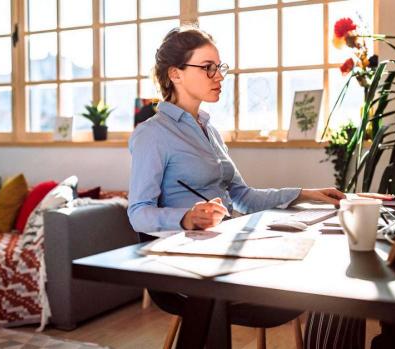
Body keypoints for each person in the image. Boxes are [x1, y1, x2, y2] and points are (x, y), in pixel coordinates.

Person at [127, 26, 359, 348]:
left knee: (332, 264)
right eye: (208, 67)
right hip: (186, 269)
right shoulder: (152, 134)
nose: (218, 75)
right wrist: (185, 218)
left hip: (224, 249)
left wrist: (306, 193)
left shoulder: (209, 130)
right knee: (322, 276)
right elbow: (138, 213)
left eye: (219, 67)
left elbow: (242, 196)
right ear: (175, 74)